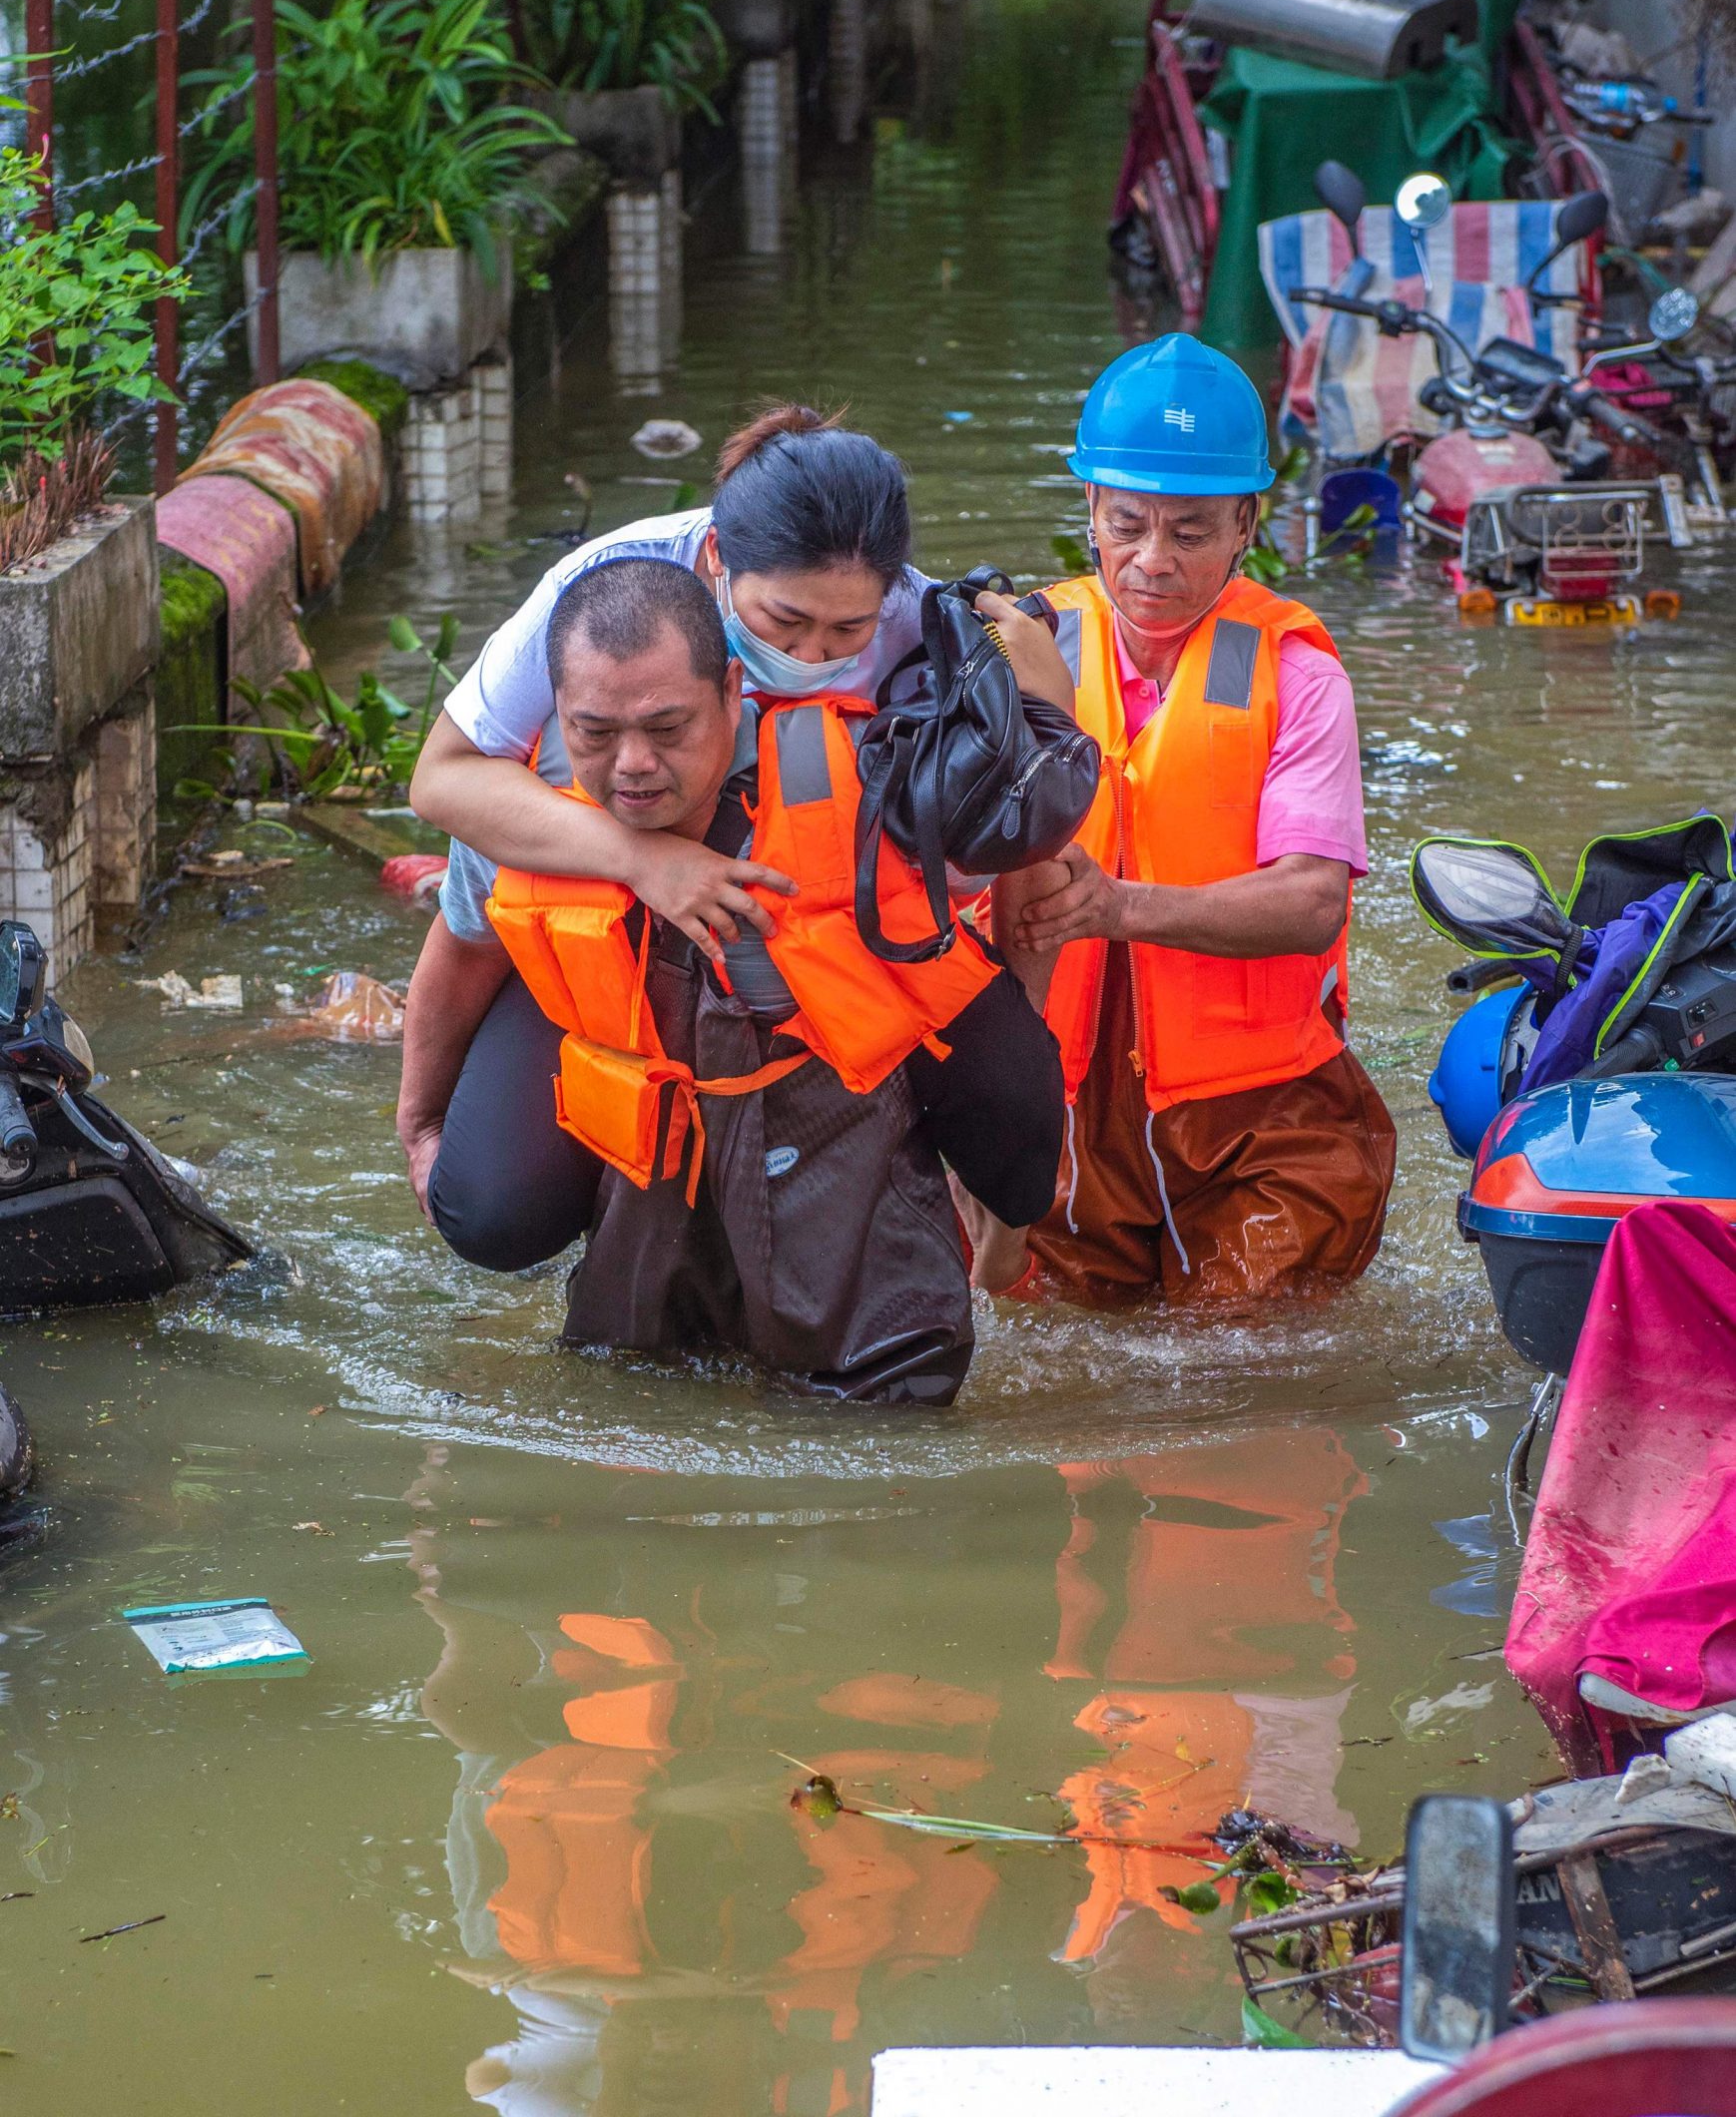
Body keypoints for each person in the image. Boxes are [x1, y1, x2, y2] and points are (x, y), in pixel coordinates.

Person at [400, 403, 1068, 1260]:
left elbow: (1025, 856)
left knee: (1016, 1147)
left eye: (845, 631)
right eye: (783, 624)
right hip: (623, 919)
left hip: (832, 915)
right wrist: (644, 859)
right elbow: (448, 795)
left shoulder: (922, 627)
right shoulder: (602, 621)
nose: (815, 652)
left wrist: (1048, 717)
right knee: (491, 1216)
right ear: (718, 564)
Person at [457, 555, 1064, 1402]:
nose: (631, 763)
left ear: (732, 691)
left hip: (853, 1247)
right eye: (596, 733)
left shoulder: (865, 789)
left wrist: (1012, 1202)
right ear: (557, 715)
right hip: (654, 1215)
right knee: (525, 1266)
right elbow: (460, 947)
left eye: (668, 729)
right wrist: (418, 1123)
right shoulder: (523, 811)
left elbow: (982, 995)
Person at [984, 332, 1397, 1310]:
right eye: (1126, 525)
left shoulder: (1298, 678)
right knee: (1067, 1400)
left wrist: (1116, 906)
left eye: (1190, 531)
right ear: (1088, 508)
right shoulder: (1011, 652)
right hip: (1065, 1115)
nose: (1150, 561)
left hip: (1263, 1118)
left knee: (1237, 1380)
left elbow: (1308, 902)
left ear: (1246, 522)